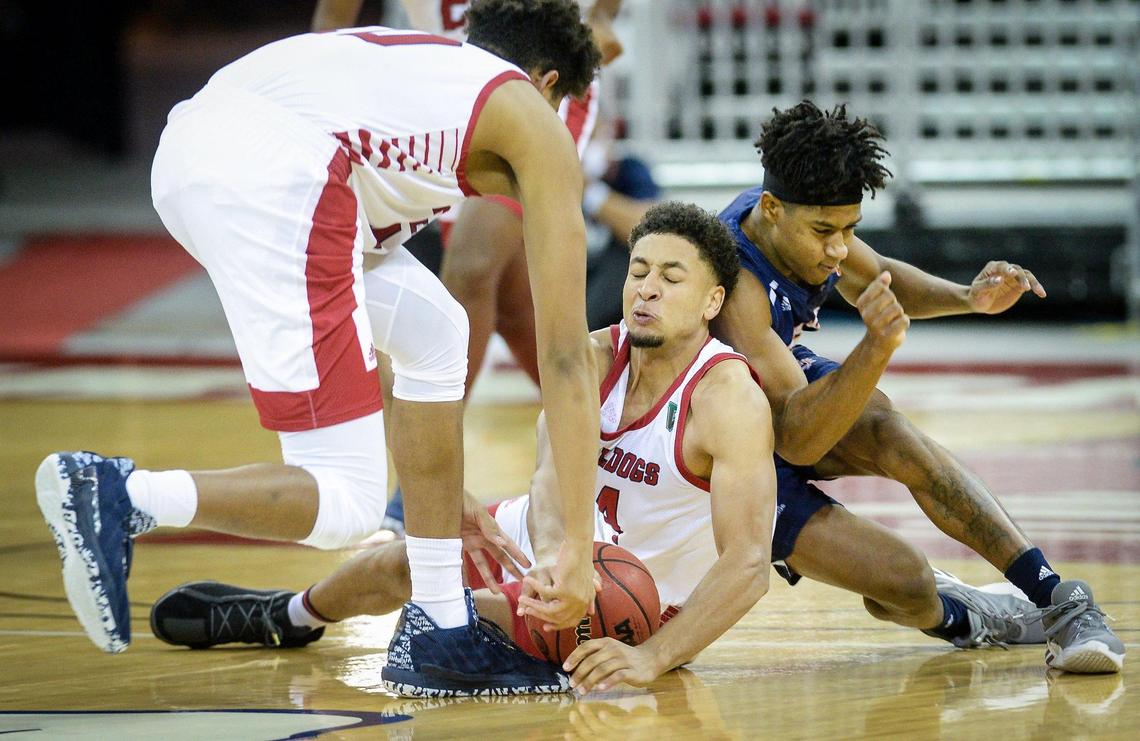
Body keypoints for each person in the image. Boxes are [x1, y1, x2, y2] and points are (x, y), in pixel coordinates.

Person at [148, 204, 1043, 694]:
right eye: (639, 271)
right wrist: (536, 544)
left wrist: (655, 657)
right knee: (408, 562)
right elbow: (546, 475)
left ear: (710, 301)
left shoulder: (728, 396)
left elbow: (744, 565)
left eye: (671, 278)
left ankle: (982, 611)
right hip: (570, 545)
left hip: (648, 595)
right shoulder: (596, 351)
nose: (645, 290)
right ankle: (286, 614)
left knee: (908, 582)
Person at [34, 0, 606, 698]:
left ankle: (440, 624)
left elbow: (389, 353)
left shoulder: (421, 78)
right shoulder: (528, 116)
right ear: (548, 86)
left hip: (206, 149)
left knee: (436, 331)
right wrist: (577, 544)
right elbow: (568, 356)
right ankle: (121, 494)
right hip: (281, 174)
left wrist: (437, 485)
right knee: (347, 502)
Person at [712, 100, 1123, 673]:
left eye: (849, 229)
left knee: (888, 429)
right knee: (904, 583)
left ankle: (1057, 597)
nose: (837, 249)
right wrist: (875, 347)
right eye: (825, 232)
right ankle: (974, 614)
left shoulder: (802, 220)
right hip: (719, 449)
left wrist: (967, 298)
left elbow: (876, 276)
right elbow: (795, 439)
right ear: (772, 209)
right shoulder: (737, 284)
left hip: (773, 393)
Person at [313, 0, 643, 536]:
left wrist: (583, 41)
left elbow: (605, 27)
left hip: (538, 88)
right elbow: (329, 24)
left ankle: (421, 481)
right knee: (513, 304)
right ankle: (623, 441)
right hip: (448, 104)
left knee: (470, 267)